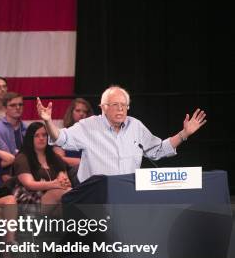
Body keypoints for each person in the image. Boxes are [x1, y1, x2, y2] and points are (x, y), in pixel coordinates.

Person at [36, 85, 207, 183]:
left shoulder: (136, 126)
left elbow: (158, 149)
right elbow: (60, 137)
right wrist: (47, 121)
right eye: (115, 104)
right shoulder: (88, 126)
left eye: (124, 105)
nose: (120, 109)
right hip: (96, 197)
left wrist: (184, 134)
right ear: (103, 107)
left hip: (128, 194)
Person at [12, 122, 71, 207]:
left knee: (68, 193)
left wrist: (64, 181)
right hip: (29, 199)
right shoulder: (22, 158)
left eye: (44, 135)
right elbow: (29, 184)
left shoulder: (55, 157)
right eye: (37, 136)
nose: (41, 138)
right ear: (30, 138)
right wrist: (54, 184)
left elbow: (67, 183)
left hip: (53, 198)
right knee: (61, 193)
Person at [53, 98, 94, 167]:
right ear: (71, 112)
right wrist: (83, 162)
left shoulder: (92, 135)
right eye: (78, 111)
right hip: (71, 170)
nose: (81, 114)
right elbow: (59, 159)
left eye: (85, 112)